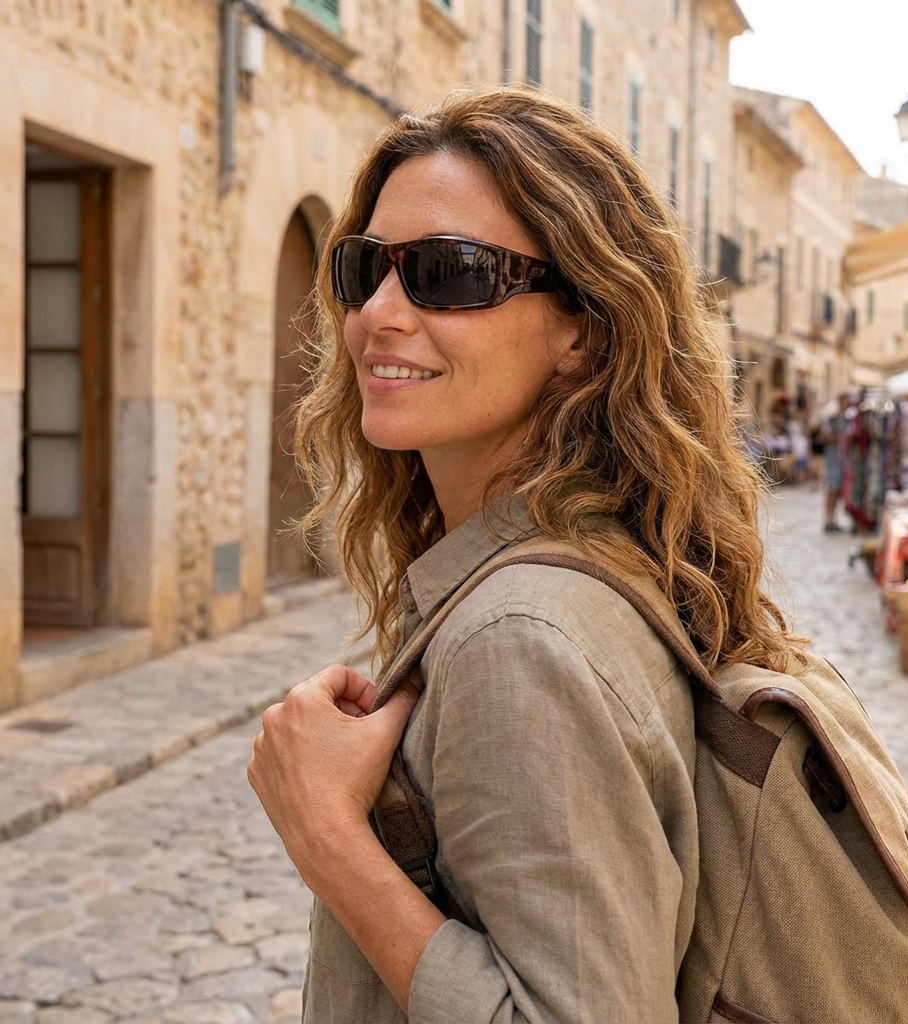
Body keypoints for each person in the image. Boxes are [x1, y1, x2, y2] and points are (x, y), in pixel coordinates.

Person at [246, 88, 803, 1023]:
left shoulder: (520, 638)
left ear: (582, 330)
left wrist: (328, 837)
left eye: (449, 272)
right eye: (365, 268)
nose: (379, 312)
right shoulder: (589, 566)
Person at [819, 395, 850, 532]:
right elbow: (823, 436)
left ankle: (833, 520)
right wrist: (840, 437)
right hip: (833, 459)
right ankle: (828, 520)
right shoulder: (832, 418)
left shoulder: (847, 419)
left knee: (837, 491)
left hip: (842, 459)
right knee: (832, 490)